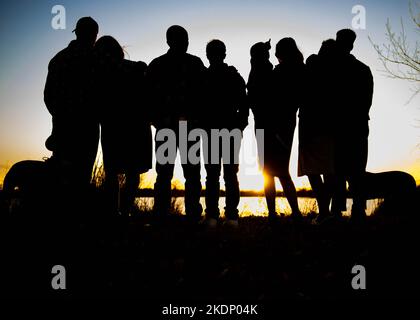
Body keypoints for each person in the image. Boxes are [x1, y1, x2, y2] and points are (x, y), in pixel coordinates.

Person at [146, 25, 206, 222]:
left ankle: (176, 214)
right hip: (173, 128)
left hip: (180, 128)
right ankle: (174, 214)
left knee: (179, 174)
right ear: (170, 41)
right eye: (183, 39)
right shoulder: (191, 64)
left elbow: (205, 95)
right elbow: (147, 97)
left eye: (186, 40)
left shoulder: (159, 64)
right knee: (170, 174)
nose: (186, 43)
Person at [93, 36, 152, 217]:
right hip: (124, 127)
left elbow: (150, 94)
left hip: (126, 126)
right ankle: (119, 211)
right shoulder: (101, 73)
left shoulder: (134, 68)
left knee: (123, 172)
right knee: (121, 172)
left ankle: (120, 211)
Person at [44, 17, 100, 194]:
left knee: (61, 175)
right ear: (94, 35)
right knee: (81, 177)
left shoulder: (59, 59)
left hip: (63, 126)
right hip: (87, 127)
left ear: (77, 33)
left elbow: (48, 96)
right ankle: (75, 217)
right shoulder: (96, 59)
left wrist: (60, 116)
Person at [201, 39, 248, 227]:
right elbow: (244, 107)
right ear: (224, 54)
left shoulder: (203, 77)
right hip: (229, 131)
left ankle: (213, 216)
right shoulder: (234, 76)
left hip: (213, 131)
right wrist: (239, 126)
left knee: (213, 175)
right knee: (230, 174)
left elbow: (199, 106)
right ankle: (231, 217)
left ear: (208, 55)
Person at [334, 29, 374, 222]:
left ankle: (345, 210)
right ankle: (355, 209)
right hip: (356, 125)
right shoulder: (363, 69)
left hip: (347, 126)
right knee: (353, 170)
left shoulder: (333, 68)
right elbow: (367, 102)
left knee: (344, 170)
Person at [299, 39, 339, 222]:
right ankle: (325, 211)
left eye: (324, 48)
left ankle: (324, 212)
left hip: (314, 125)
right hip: (325, 125)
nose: (320, 50)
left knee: (316, 170)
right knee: (324, 170)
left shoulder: (315, 63)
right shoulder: (334, 71)